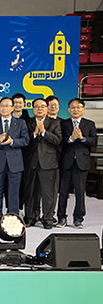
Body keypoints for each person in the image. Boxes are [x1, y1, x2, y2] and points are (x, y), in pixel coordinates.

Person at [0, 97, 29, 224]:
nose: (4, 108)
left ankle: (13, 217)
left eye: (7, 106)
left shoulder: (20, 123)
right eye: (2, 106)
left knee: (14, 192)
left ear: (12, 108)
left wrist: (13, 141)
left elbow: (25, 140)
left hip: (15, 163)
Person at [57, 98, 97, 229]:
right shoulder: (63, 124)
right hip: (66, 162)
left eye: (78, 107)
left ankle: (78, 219)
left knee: (80, 192)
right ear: (69, 110)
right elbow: (59, 141)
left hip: (82, 163)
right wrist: (71, 138)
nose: (75, 110)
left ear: (83, 109)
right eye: (73, 107)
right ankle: (61, 217)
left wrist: (82, 138)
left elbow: (94, 141)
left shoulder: (89, 124)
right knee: (63, 192)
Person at [23, 98, 62, 229]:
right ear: (33, 108)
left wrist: (44, 132)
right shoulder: (27, 122)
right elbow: (24, 142)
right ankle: (30, 217)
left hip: (49, 163)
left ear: (47, 108)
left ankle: (48, 219)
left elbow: (58, 140)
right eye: (37, 106)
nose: (40, 109)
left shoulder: (55, 122)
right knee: (30, 193)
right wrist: (34, 134)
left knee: (48, 194)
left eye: (43, 106)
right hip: (31, 162)